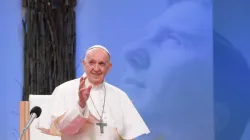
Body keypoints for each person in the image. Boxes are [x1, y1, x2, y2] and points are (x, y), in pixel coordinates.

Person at [36, 45, 150, 140]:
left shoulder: (120, 96)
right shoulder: (64, 90)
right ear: (84, 64)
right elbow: (65, 128)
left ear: (109, 67)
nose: (96, 68)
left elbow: (128, 136)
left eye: (101, 64)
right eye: (92, 62)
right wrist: (81, 104)